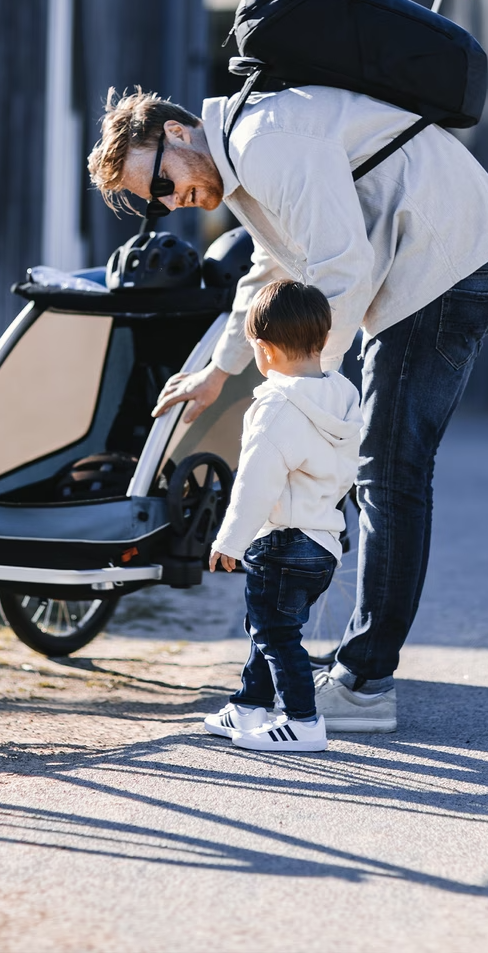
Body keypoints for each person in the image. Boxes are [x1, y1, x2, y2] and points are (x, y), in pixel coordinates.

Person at [88, 85, 488, 732]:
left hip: (447, 260)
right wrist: (219, 371)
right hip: (434, 260)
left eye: (160, 183)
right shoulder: (245, 158)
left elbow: (342, 267)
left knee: (391, 472)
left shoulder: (264, 141)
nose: (168, 203)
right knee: (388, 469)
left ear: (178, 134)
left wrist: (308, 387)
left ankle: (365, 685)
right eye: (156, 204)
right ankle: (363, 671)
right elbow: (272, 268)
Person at [202, 279, 362, 751]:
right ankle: (249, 706)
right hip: (324, 544)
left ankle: (303, 723)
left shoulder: (275, 406)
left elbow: (255, 483)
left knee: (275, 633)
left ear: (265, 350)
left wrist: (229, 541)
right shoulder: (343, 396)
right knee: (269, 626)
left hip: (282, 542)